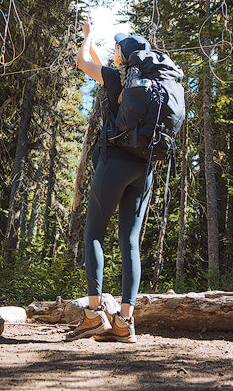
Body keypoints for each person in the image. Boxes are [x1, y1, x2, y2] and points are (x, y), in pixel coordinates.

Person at [66, 18, 154, 343]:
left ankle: (93, 315)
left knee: (94, 234)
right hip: (144, 168)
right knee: (130, 241)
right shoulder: (145, 86)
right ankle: (124, 323)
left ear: (122, 56)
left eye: (116, 47)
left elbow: (82, 62)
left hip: (114, 162)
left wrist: (87, 36)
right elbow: (96, 64)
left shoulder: (116, 79)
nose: (113, 50)